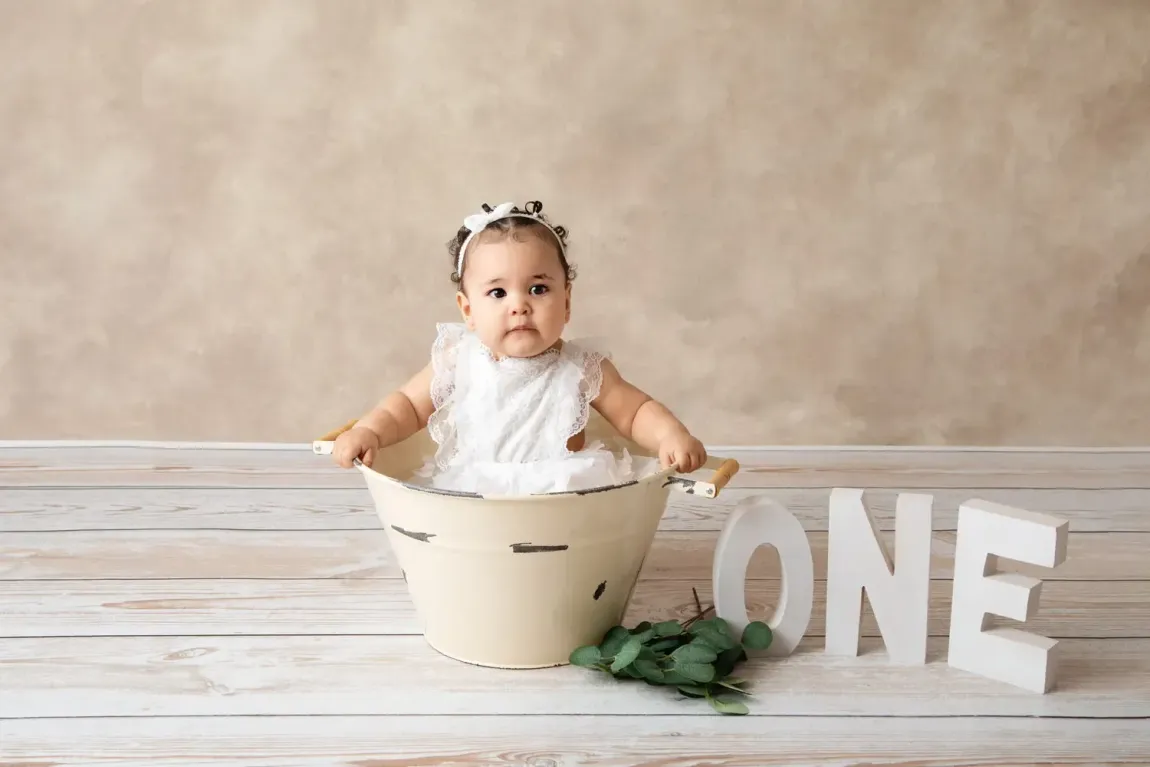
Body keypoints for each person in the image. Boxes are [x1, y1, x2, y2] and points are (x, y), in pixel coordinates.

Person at [331, 200, 707, 495]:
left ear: (567, 301)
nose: (519, 305)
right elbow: (407, 407)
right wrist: (370, 431)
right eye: (497, 292)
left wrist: (670, 435)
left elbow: (636, 412)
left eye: (539, 289)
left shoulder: (581, 367)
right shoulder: (458, 359)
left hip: (565, 491)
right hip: (476, 489)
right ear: (468, 311)